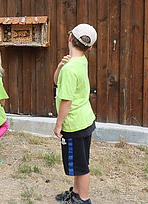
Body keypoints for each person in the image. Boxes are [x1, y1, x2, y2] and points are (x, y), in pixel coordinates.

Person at [53, 24, 97, 204]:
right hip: (85, 120)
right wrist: (59, 66)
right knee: (80, 162)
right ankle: (77, 194)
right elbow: (57, 82)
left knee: (81, 166)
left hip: (74, 125)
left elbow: (66, 101)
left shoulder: (71, 69)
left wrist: (58, 124)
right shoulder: (79, 61)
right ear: (90, 47)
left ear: (70, 37)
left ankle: (84, 200)